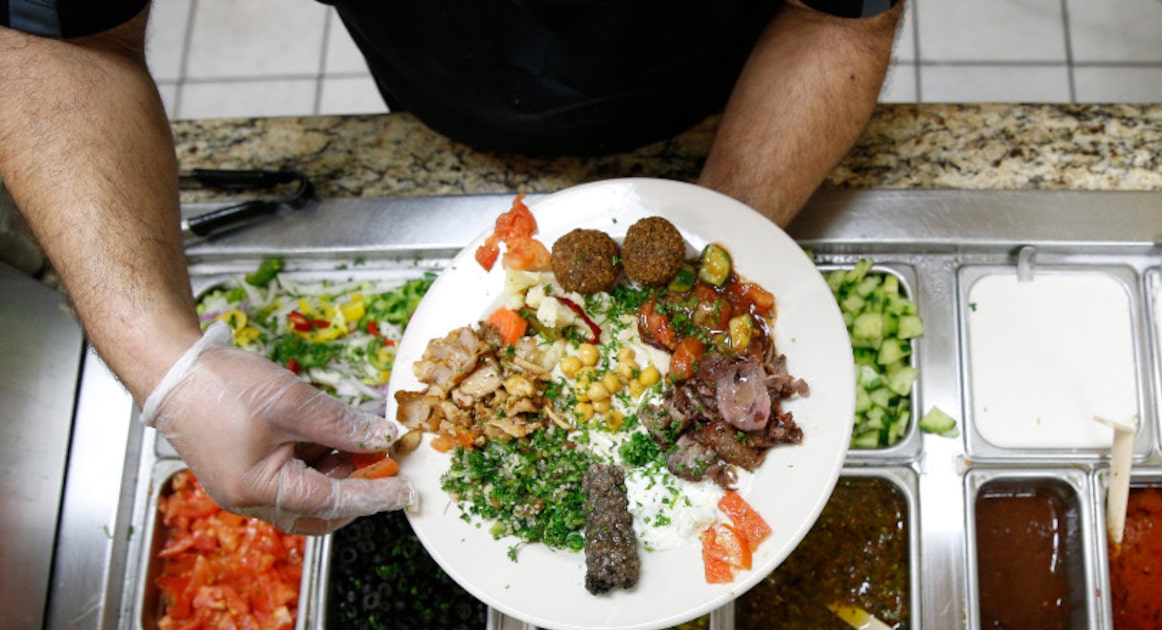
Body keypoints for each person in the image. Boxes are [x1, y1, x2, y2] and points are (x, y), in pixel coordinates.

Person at [0, 0, 904, 534]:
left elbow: (837, 14)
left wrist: (713, 254)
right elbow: (56, 37)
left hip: (722, 93)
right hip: (438, 81)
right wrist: (169, 372)